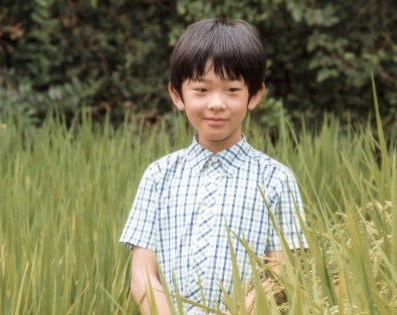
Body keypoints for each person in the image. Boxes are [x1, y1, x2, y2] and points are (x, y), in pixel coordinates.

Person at [119, 17, 308, 314]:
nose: (216, 103)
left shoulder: (276, 179)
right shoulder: (159, 176)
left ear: (255, 95)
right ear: (177, 95)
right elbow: (143, 275)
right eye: (202, 90)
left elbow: (279, 276)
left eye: (232, 90)